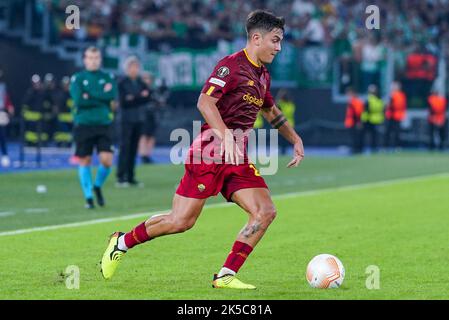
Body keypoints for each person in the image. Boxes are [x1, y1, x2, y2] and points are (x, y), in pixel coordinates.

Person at [100, 10, 305, 289]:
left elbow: (270, 110)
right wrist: (227, 138)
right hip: (209, 151)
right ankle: (121, 242)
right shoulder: (230, 66)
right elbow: (205, 103)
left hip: (236, 156)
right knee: (181, 221)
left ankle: (225, 274)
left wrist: (294, 139)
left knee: (265, 211)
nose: (279, 48)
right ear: (256, 38)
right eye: (275, 40)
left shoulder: (263, 75)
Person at [69, 47, 118, 209]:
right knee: (85, 160)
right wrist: (100, 97)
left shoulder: (108, 77)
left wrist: (89, 95)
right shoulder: (78, 78)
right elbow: (78, 101)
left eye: (96, 57)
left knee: (107, 160)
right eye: (90, 58)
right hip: (84, 124)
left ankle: (97, 185)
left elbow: (111, 96)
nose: (93, 60)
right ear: (84, 59)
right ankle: (89, 197)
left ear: (100, 59)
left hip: (104, 123)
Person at [116, 56, 151, 187]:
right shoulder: (122, 82)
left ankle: (130, 176)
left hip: (138, 119)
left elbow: (147, 97)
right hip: (126, 119)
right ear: (127, 68)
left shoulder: (141, 83)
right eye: (132, 67)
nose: (135, 70)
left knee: (134, 148)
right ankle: (121, 176)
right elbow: (124, 101)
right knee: (124, 147)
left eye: (136, 67)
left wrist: (134, 98)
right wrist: (138, 97)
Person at [361, 84, 384, 152]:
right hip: (377, 120)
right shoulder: (379, 99)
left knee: (369, 135)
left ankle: (369, 148)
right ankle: (374, 148)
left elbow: (365, 111)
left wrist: (363, 120)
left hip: (370, 120)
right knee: (375, 136)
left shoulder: (369, 99)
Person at [385, 81, 407, 149]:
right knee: (393, 132)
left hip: (394, 116)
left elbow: (392, 106)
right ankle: (392, 146)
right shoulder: (399, 95)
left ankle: (391, 146)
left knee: (393, 132)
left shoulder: (395, 95)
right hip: (394, 116)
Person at [0, 69, 14, 167]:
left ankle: (5, 155)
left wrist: (9, 106)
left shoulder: (3, 86)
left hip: (1, 112)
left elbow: (6, 98)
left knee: (2, 135)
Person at [344, 87, 364, 154]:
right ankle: (355, 149)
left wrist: (358, 122)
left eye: (348, 93)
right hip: (351, 122)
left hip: (354, 122)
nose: (347, 95)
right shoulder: (352, 101)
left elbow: (357, 113)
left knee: (355, 136)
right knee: (354, 136)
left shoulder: (356, 101)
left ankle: (356, 149)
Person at [276, 89, 296, 155]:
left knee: (281, 138)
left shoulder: (281, 104)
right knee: (287, 139)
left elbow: (276, 103)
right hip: (290, 124)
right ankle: (285, 150)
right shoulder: (291, 105)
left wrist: (279, 94)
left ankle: (282, 150)